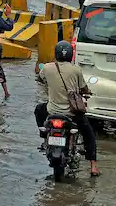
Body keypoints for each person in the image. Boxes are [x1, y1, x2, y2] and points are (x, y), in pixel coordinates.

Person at [35, 41, 99, 177]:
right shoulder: (76, 70)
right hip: (71, 113)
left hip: (52, 111)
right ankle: (93, 167)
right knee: (89, 134)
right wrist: (88, 92)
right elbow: (83, 88)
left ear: (56, 54)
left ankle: (44, 135)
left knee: (39, 109)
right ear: (71, 55)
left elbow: (40, 79)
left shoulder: (47, 68)